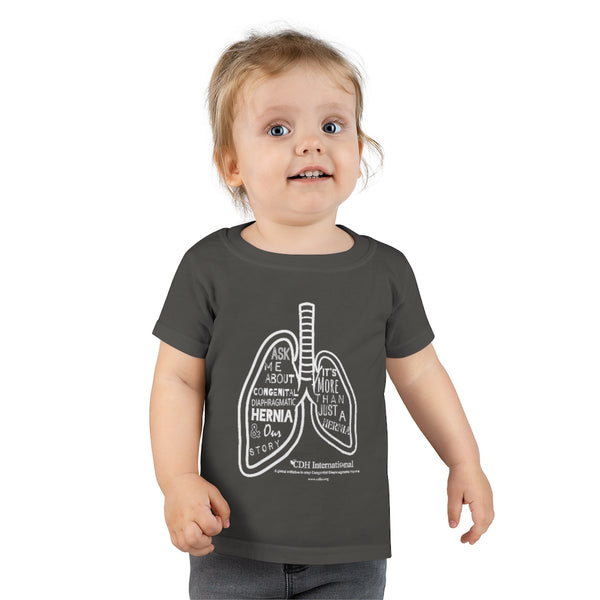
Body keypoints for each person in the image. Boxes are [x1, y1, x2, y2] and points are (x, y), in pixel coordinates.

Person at [149, 28, 494, 600]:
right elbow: (178, 380)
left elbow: (421, 374)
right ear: (232, 164)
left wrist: (465, 460)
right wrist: (178, 480)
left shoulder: (386, 271)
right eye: (278, 129)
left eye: (332, 126)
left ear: (360, 149)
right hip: (230, 544)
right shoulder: (208, 267)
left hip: (350, 554)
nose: (310, 144)